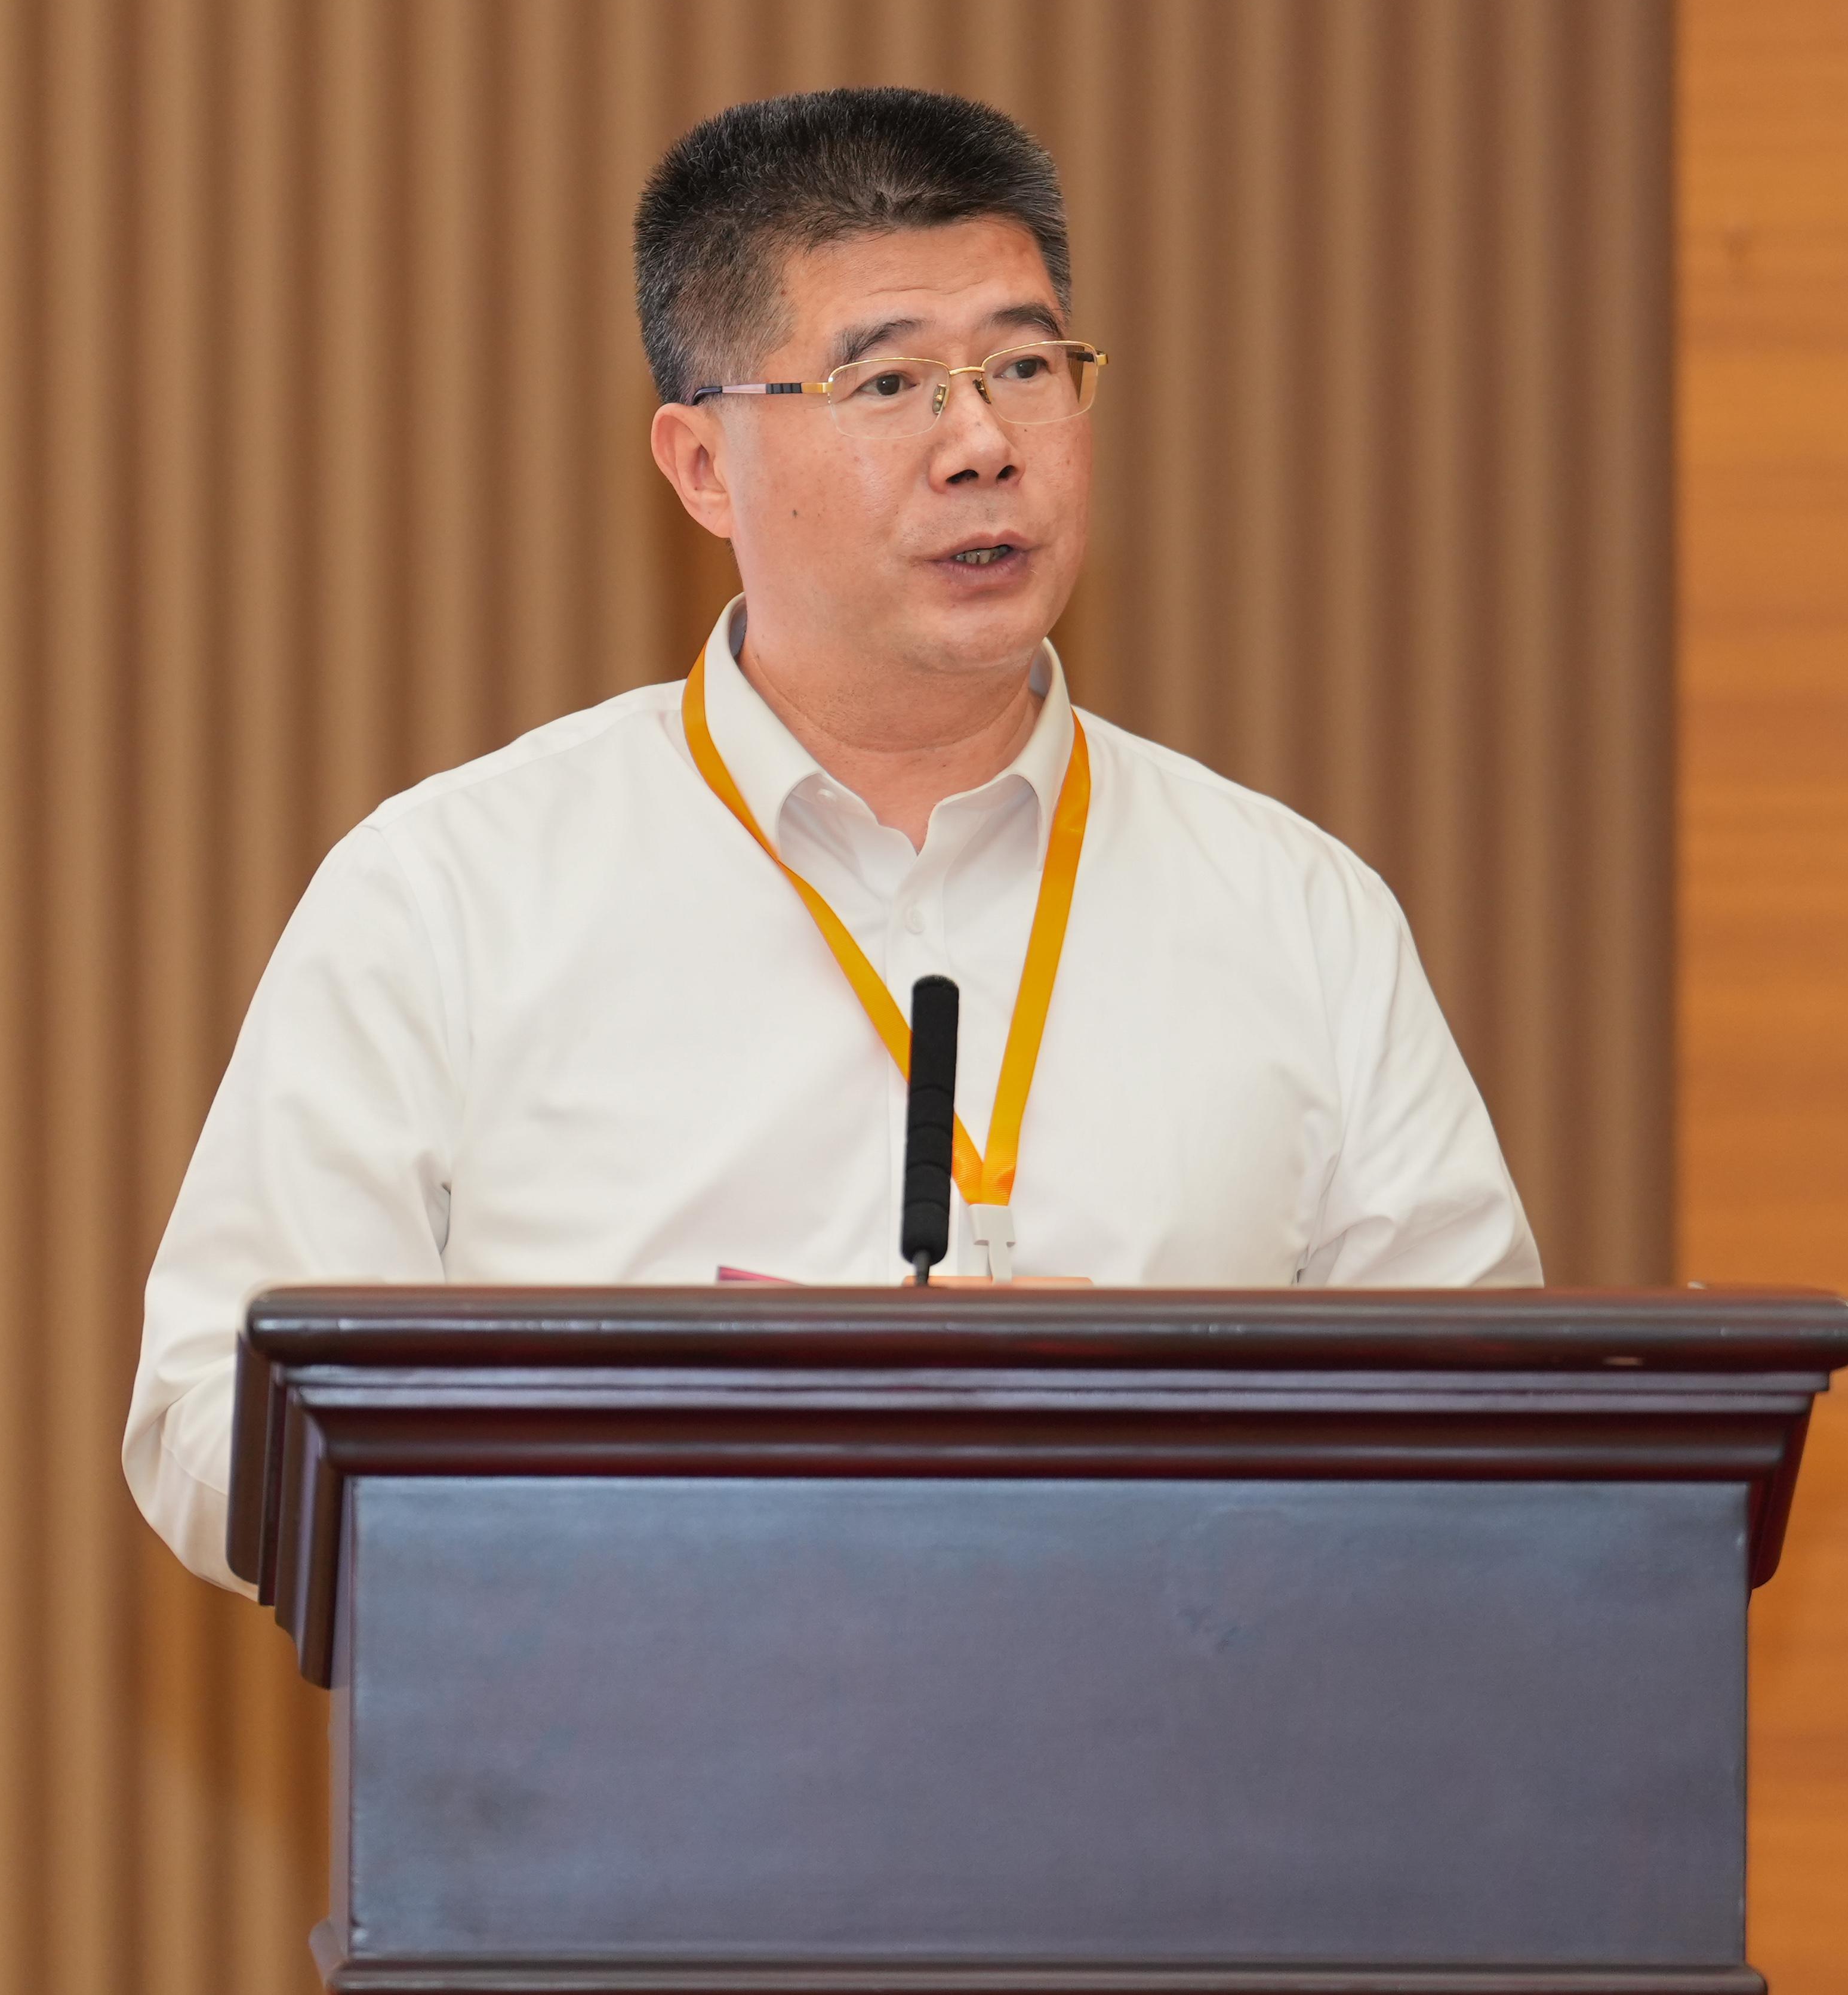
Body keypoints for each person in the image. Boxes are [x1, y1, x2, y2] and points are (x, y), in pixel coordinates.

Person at [124, 88, 1539, 1589]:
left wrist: (1162, 1449)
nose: (981, 440)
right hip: (635, 1723)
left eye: (1024, 365)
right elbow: (215, 1422)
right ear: (702, 465)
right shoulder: (452, 892)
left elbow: (1497, 1446)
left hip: (1173, 1726)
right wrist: (677, 1472)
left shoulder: (1298, 913)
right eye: (888, 382)